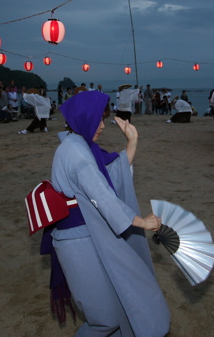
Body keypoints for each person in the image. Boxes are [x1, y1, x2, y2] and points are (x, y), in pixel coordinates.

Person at [46, 90, 170, 336]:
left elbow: (110, 173)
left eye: (104, 119)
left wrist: (132, 143)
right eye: (98, 119)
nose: (102, 125)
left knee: (115, 301)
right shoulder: (77, 155)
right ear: (84, 118)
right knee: (105, 318)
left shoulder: (77, 144)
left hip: (88, 235)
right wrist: (139, 222)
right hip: (78, 240)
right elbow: (100, 194)